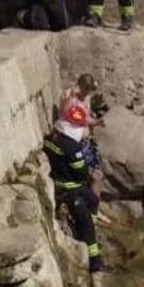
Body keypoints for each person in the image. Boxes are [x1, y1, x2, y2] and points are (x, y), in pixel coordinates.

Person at [43, 105, 104, 272]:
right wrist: (89, 172)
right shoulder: (72, 146)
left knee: (92, 199)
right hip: (70, 192)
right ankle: (95, 264)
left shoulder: (52, 138)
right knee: (88, 229)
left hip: (62, 185)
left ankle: (89, 222)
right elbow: (82, 173)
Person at [59, 73, 106, 199]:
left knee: (98, 173)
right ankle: (88, 207)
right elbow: (64, 113)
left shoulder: (87, 98)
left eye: (89, 90)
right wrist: (73, 97)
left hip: (85, 141)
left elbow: (86, 118)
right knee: (89, 175)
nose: (87, 93)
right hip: (73, 143)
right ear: (80, 85)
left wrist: (97, 122)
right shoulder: (69, 95)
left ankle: (93, 206)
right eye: (86, 89)